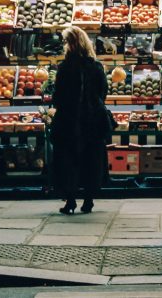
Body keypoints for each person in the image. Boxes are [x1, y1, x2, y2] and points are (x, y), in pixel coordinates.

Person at [51, 26, 112, 215]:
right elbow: (103, 93)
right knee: (91, 160)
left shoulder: (65, 67)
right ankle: (88, 200)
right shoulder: (96, 66)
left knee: (68, 159)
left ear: (70, 44)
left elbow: (59, 96)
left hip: (70, 121)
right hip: (93, 120)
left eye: (64, 41)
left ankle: (70, 201)